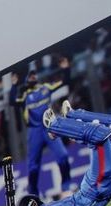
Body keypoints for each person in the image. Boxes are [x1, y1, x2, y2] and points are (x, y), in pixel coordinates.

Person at [10, 60, 72, 197]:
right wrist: (14, 85)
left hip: (50, 128)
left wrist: (66, 69)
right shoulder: (24, 95)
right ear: (26, 79)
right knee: (33, 167)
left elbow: (65, 81)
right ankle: (33, 195)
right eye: (30, 76)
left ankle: (66, 188)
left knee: (63, 156)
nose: (33, 77)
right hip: (34, 131)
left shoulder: (46, 87)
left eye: (34, 75)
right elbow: (12, 102)